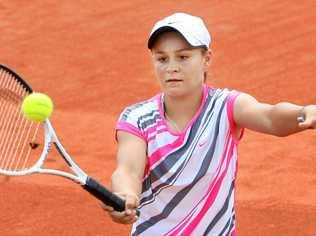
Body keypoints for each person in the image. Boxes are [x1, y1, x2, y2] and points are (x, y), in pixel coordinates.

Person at [102, 12, 316, 235]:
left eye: (183, 57)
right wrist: (126, 195)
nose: (171, 67)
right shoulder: (137, 118)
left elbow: (271, 117)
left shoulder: (227, 106)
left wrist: (305, 114)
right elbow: (128, 171)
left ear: (206, 59)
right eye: (162, 58)